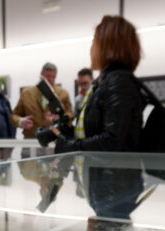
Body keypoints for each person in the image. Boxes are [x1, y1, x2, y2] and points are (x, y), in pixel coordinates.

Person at [50, 15, 145, 152]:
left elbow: (113, 140)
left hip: (113, 172)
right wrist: (69, 133)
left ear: (108, 47)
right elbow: (97, 131)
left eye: (94, 42)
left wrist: (71, 146)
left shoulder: (118, 82)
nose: (91, 48)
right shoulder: (107, 81)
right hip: (100, 170)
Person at [11, 62, 74, 139]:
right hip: (31, 140)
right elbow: (14, 115)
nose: (51, 80)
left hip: (54, 140)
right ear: (41, 75)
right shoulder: (26, 93)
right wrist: (20, 121)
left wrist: (64, 118)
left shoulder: (63, 93)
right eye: (48, 76)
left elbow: (70, 113)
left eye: (53, 77)